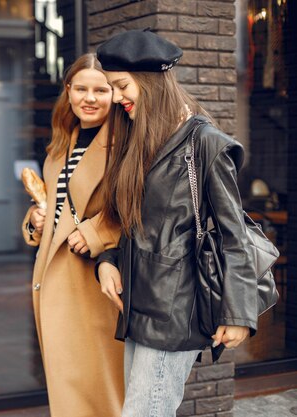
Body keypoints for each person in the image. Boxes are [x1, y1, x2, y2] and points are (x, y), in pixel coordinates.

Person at [95, 29, 259, 417]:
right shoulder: (141, 141)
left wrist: (238, 315)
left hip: (176, 310)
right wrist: (108, 260)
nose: (116, 98)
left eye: (121, 86)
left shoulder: (204, 143)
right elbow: (141, 229)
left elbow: (234, 237)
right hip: (138, 304)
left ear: (150, 82)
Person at [21, 53, 124, 417]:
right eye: (81, 88)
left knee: (102, 389)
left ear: (115, 95)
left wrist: (97, 233)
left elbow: (145, 204)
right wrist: (35, 220)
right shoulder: (63, 143)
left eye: (101, 89)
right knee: (70, 389)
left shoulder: (126, 143)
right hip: (54, 279)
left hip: (96, 281)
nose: (90, 98)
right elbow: (60, 208)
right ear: (68, 91)